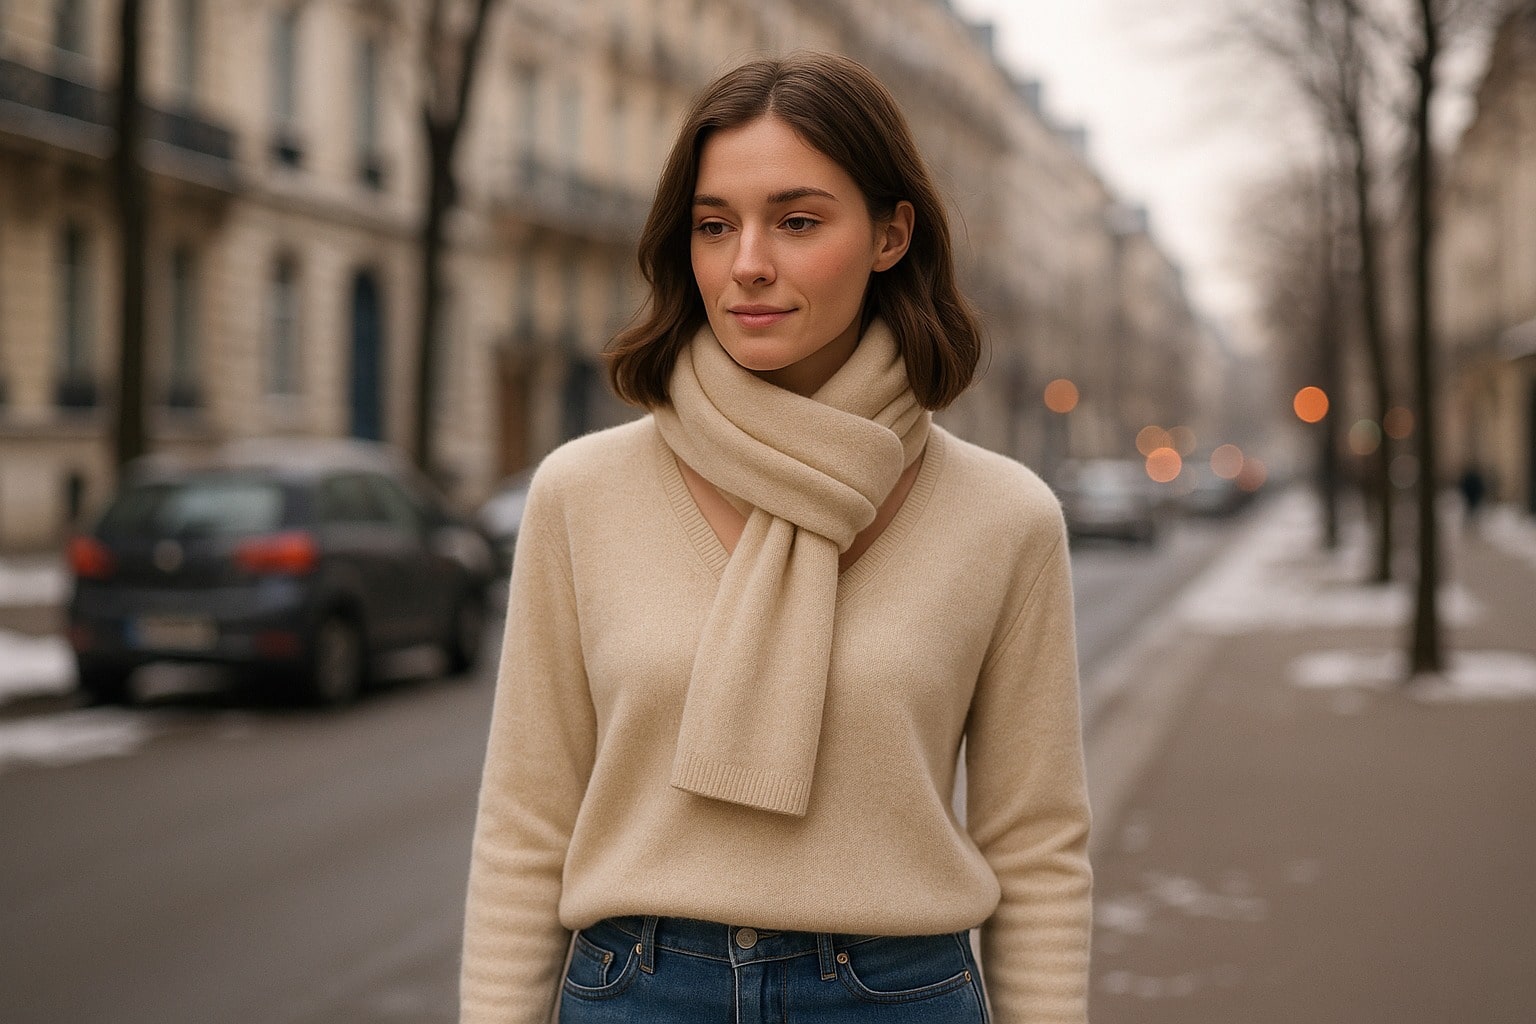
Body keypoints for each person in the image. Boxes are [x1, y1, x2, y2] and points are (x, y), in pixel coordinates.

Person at [460, 51, 1092, 1024]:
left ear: (890, 233)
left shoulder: (1002, 516)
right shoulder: (583, 491)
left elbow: (1037, 846)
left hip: (897, 995)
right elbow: (523, 824)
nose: (747, 261)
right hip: (637, 990)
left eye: (797, 221)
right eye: (715, 226)